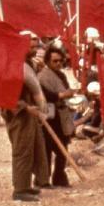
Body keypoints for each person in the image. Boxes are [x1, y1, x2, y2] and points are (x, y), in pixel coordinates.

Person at [4, 44, 50, 201]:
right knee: (22, 151)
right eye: (30, 43)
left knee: (32, 150)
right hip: (20, 116)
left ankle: (27, 184)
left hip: (30, 114)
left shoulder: (29, 65)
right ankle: (20, 189)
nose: (34, 46)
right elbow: (8, 96)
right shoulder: (11, 68)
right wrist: (26, 107)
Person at [38, 46, 76, 187]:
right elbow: (42, 95)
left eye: (61, 61)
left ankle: (59, 177)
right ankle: (43, 179)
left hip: (61, 115)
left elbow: (65, 89)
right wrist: (60, 95)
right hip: (48, 116)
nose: (58, 64)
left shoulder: (61, 75)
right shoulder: (42, 76)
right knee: (47, 150)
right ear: (48, 61)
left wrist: (68, 94)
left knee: (63, 148)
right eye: (55, 61)